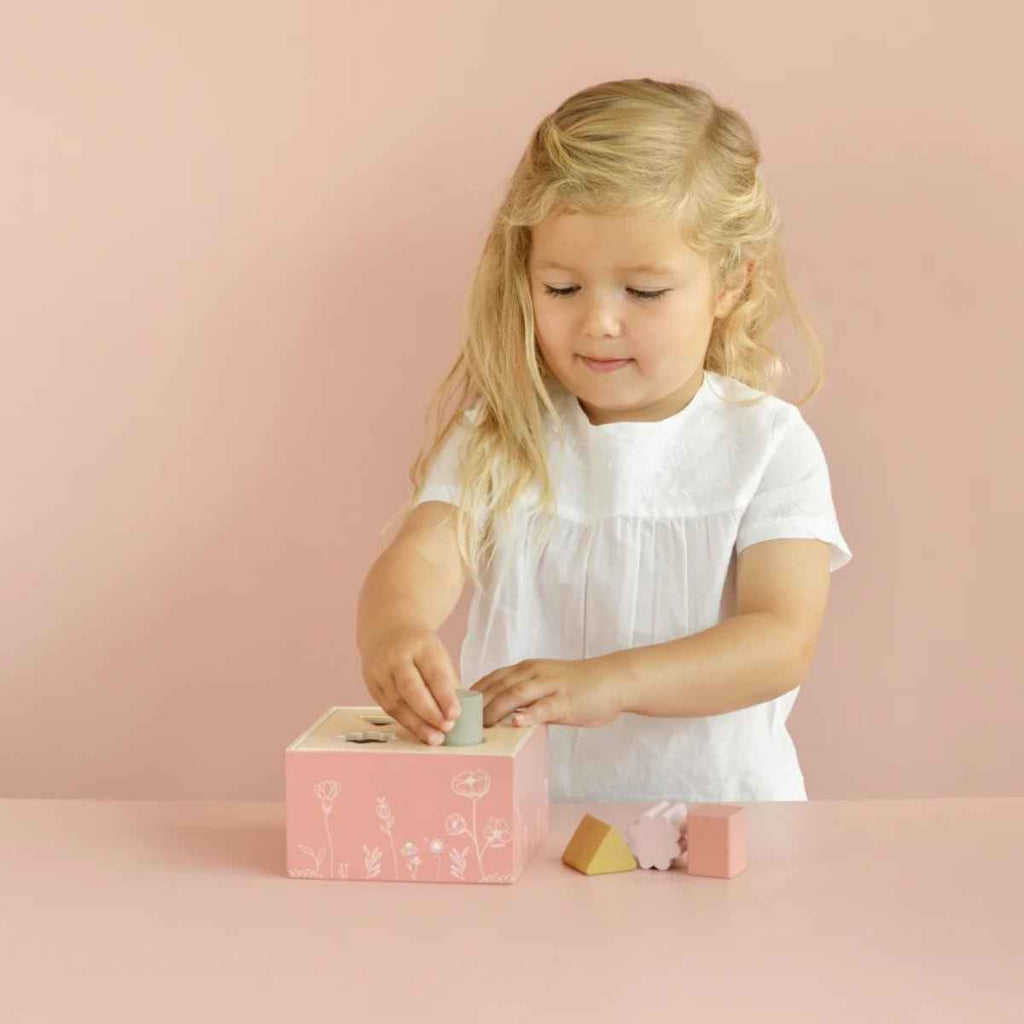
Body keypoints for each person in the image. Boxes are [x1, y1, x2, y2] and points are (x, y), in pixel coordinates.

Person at [356, 77, 852, 803]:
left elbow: (780, 639)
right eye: (561, 288)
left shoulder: (767, 447)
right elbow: (422, 552)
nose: (598, 323)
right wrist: (393, 635)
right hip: (530, 824)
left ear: (731, 284)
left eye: (644, 292)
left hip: (720, 822)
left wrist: (612, 682)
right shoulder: (507, 434)